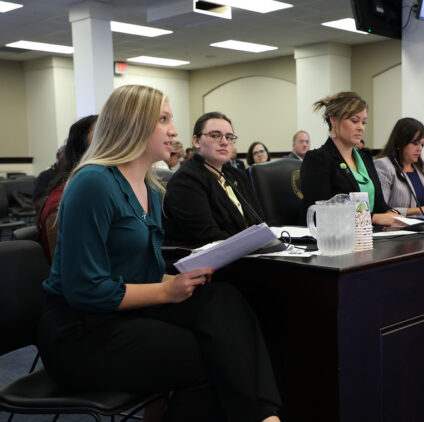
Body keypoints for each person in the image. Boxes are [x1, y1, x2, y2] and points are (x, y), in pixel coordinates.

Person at [37, 85, 282, 422]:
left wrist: (176, 280)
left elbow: (141, 270)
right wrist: (167, 289)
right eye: (163, 119)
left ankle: (265, 416)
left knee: (222, 299)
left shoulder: (151, 187)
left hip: (127, 312)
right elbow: (85, 290)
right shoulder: (92, 183)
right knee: (207, 356)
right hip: (80, 332)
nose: (175, 130)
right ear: (133, 124)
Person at [164, 111, 264, 248]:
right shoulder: (185, 180)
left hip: (250, 254)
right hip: (214, 262)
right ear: (196, 141)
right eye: (216, 136)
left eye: (229, 137)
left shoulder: (238, 176)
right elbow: (208, 237)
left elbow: (260, 221)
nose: (224, 142)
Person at [300, 91, 398, 226]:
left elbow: (379, 205)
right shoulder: (317, 159)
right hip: (338, 241)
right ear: (333, 119)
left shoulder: (365, 158)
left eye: (364, 122)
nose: (361, 128)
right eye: (354, 121)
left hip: (371, 237)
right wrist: (373, 218)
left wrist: (391, 213)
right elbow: (322, 214)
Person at [38, 114, 97, 261]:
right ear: (82, 146)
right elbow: (71, 273)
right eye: (102, 132)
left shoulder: (107, 189)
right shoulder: (62, 201)